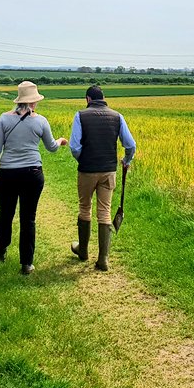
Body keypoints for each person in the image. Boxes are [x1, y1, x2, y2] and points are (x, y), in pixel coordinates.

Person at [0, 81, 68, 275]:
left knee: (6, 214)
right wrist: (61, 141)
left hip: (8, 173)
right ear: (33, 102)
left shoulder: (4, 119)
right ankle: (26, 263)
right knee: (28, 218)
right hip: (32, 174)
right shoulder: (41, 121)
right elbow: (51, 147)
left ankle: (1, 250)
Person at [69, 84, 136, 271]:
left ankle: (82, 251)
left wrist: (83, 159)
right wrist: (126, 160)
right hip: (108, 171)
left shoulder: (80, 116)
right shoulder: (117, 116)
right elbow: (130, 145)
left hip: (87, 170)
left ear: (88, 100)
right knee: (105, 211)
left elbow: (74, 147)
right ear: (103, 98)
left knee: (84, 208)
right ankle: (103, 259)